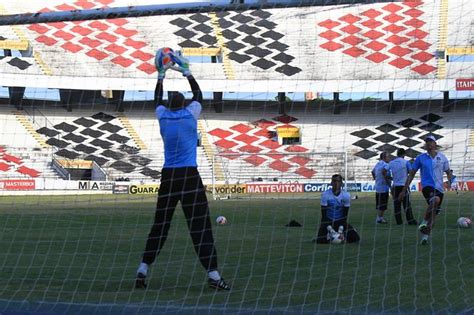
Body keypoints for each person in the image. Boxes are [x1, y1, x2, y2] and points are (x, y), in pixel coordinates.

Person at [135, 50, 230, 290]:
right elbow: (198, 94)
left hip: (168, 176)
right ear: (184, 103)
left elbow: (156, 99)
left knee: (160, 224)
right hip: (188, 175)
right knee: (200, 226)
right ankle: (214, 276)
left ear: (169, 104)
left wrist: (160, 75)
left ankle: (142, 269)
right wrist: (187, 72)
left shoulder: (163, 117)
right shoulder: (190, 115)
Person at [398, 135, 454, 245]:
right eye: (426, 142)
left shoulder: (442, 157)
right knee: (436, 200)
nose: (428, 143)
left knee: (433, 215)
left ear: (435, 143)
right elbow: (412, 174)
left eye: (430, 141)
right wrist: (404, 190)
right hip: (427, 186)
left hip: (439, 188)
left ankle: (424, 238)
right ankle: (423, 222)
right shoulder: (420, 158)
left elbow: (448, 172)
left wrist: (451, 182)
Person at [314, 174, 360, 243]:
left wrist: (340, 229)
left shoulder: (346, 196)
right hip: (328, 221)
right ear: (331, 183)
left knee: (356, 239)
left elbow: (345, 215)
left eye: (338, 181)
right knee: (320, 241)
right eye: (334, 181)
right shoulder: (325, 195)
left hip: (340, 221)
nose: (336, 183)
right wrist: (330, 229)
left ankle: (342, 236)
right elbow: (324, 216)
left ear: (341, 183)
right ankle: (330, 236)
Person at [388, 148, 417, 225]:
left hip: (395, 186)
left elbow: (384, 171)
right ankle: (410, 220)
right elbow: (411, 173)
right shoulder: (406, 162)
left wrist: (391, 178)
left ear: (397, 154)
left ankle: (399, 221)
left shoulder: (391, 162)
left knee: (396, 205)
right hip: (403, 186)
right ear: (404, 154)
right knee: (406, 204)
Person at [371, 151, 391, 224]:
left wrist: (376, 179)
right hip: (384, 186)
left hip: (378, 186)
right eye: (388, 156)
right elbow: (384, 172)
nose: (389, 158)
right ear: (384, 157)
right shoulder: (385, 164)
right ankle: (379, 219)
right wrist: (389, 181)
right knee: (383, 204)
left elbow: (372, 172)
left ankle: (380, 218)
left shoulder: (378, 164)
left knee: (379, 204)